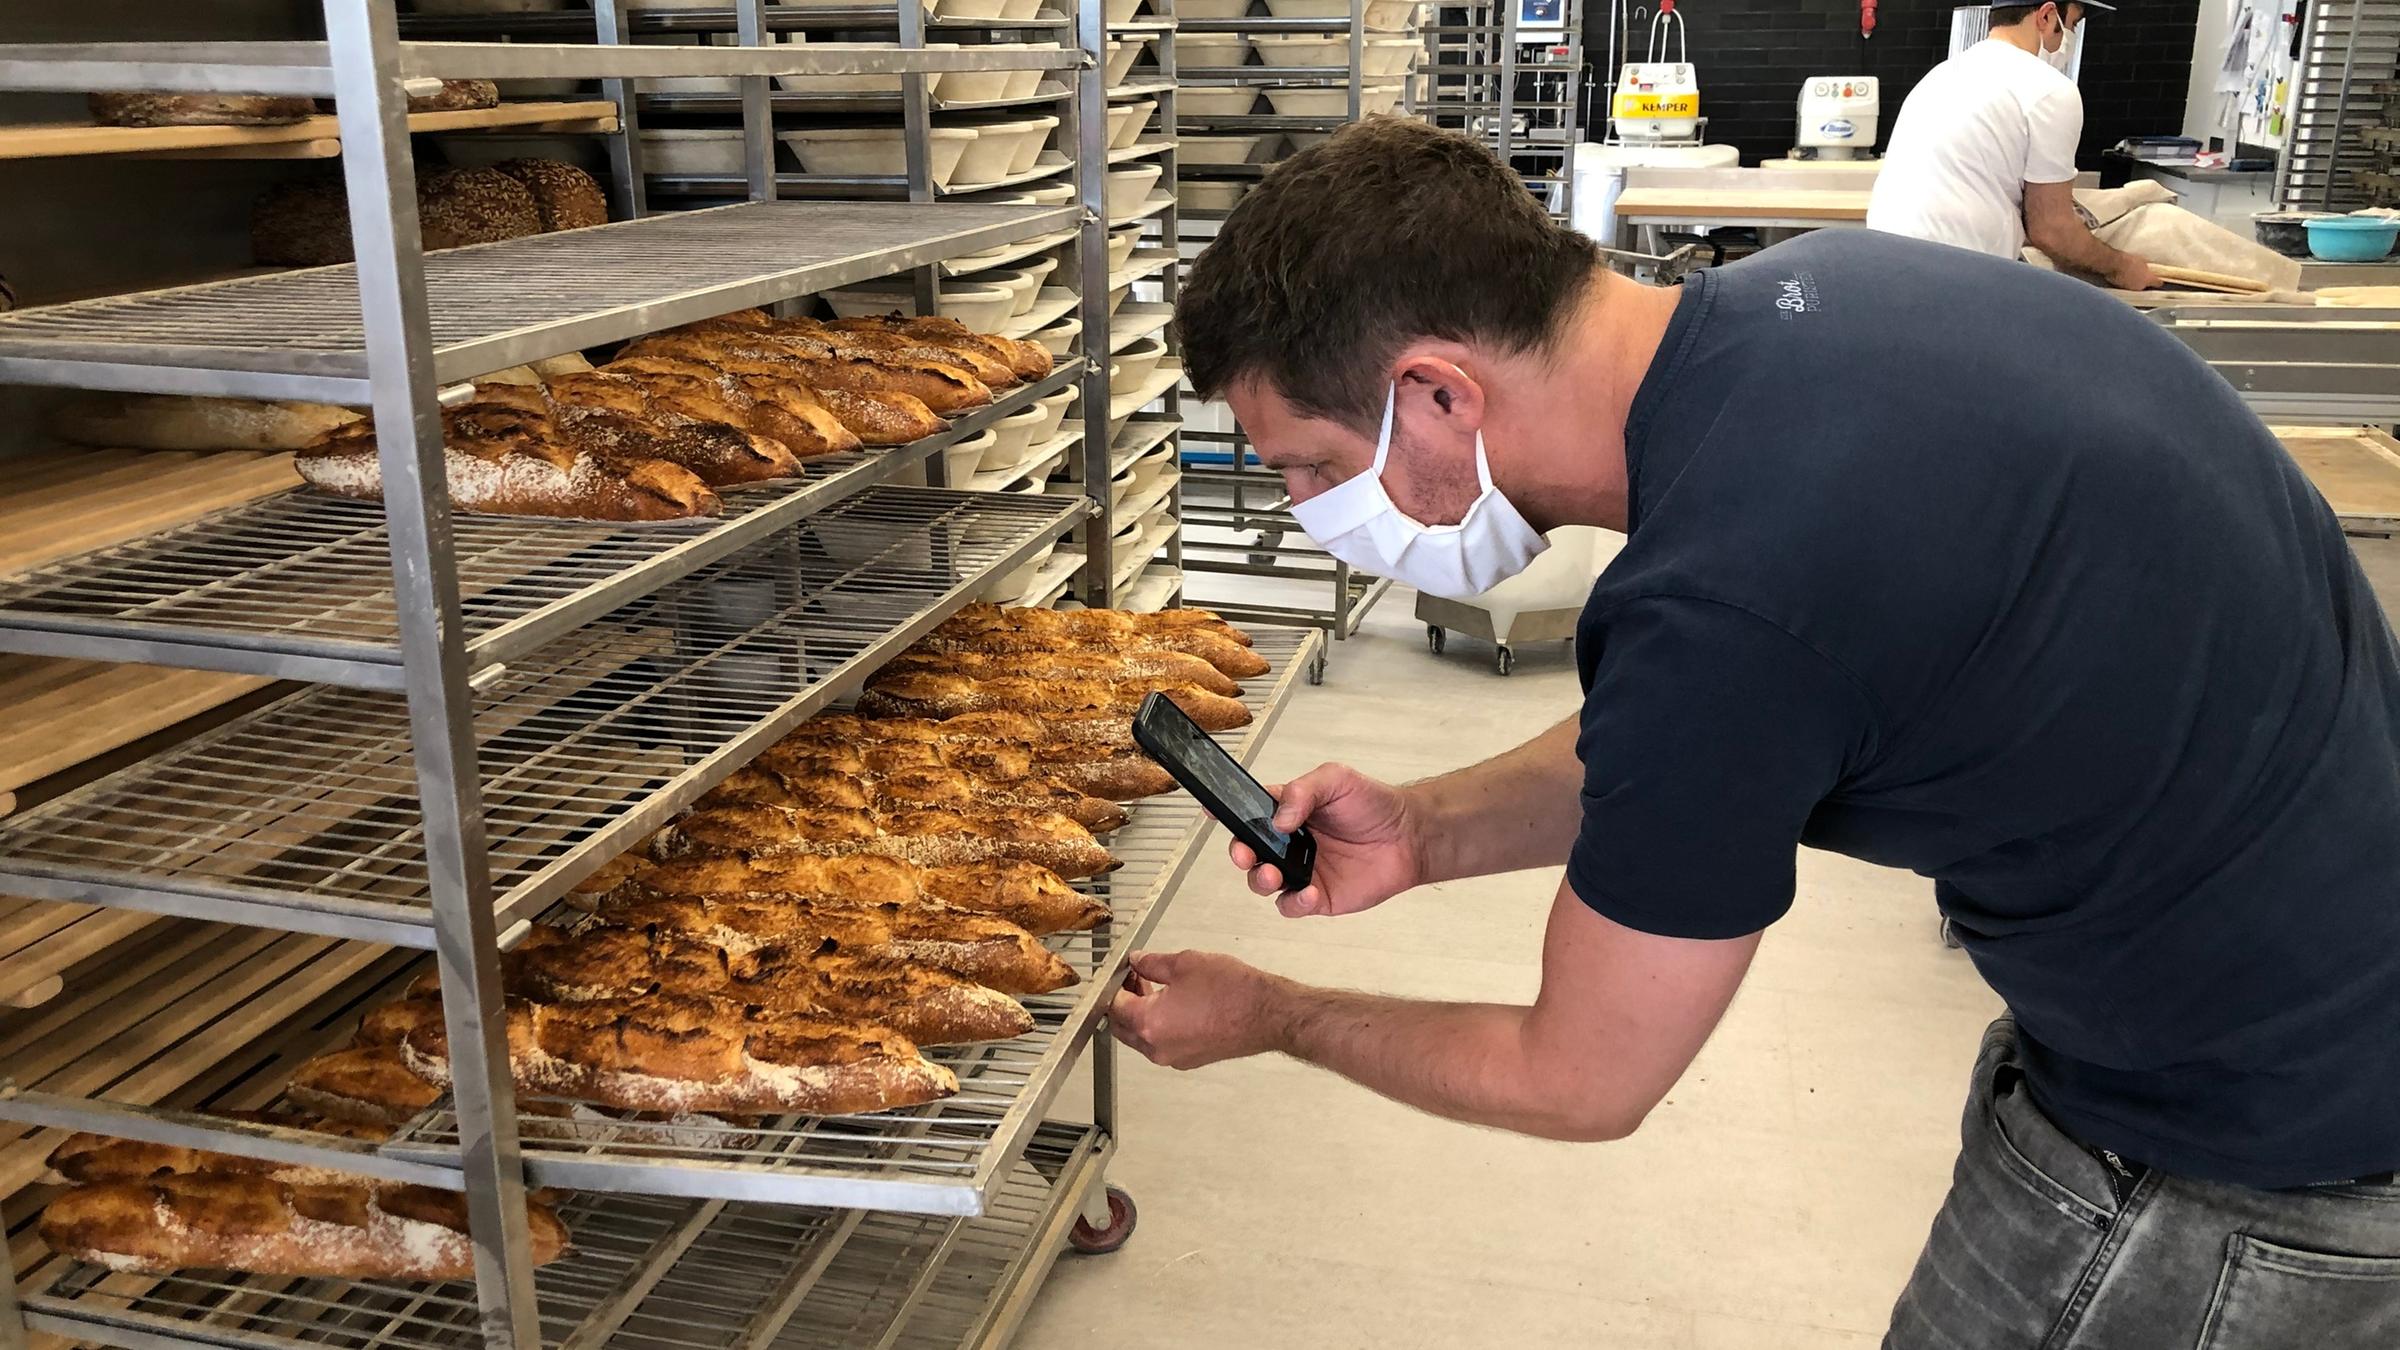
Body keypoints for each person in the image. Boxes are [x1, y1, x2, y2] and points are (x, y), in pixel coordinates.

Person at [1110, 118, 2400, 1348]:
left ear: (1437, 393)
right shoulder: (1822, 297)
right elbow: (1717, 728)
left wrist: (1278, 1017)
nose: (1305, 513)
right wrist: (1429, 830)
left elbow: (1579, 1078)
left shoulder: (1725, 608)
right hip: (2310, 999)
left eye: (1314, 470)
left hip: (2247, 1164)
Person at [1868, 0, 2159, 290]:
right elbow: (2051, 229)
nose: (2070, 37)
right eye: (2072, 24)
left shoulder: (1941, 75)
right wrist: (2122, 267)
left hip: (1883, 269)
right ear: (2046, 16)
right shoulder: (2049, 90)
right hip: (1952, 282)